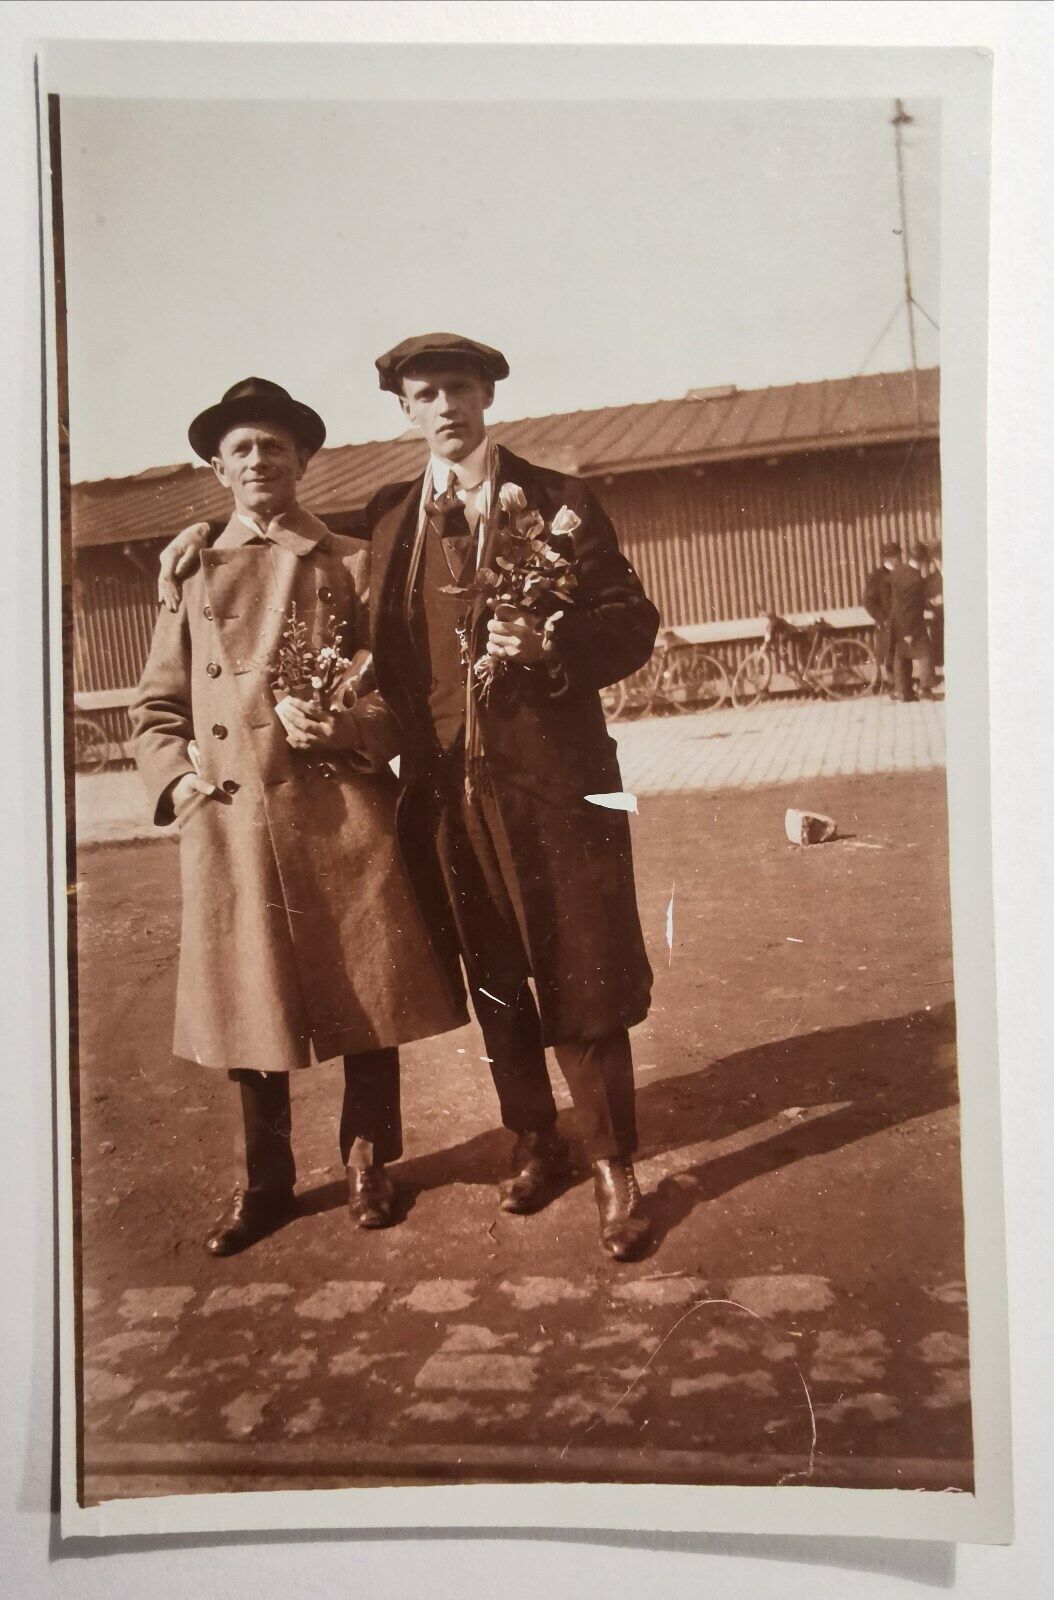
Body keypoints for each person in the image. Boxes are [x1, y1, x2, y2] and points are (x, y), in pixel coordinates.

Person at [160, 338, 661, 1261]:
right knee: (495, 974)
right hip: (442, 797)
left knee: (583, 971)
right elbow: (321, 590)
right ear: (403, 410)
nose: (443, 408)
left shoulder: (559, 499)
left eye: (458, 390)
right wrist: (195, 538)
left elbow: (633, 623)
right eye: (423, 395)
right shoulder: (392, 517)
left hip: (553, 787)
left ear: (486, 396)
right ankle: (534, 1141)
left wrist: (552, 648)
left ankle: (612, 1167)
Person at [132, 377, 467, 1257]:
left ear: (303, 462)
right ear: (217, 468)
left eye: (274, 447)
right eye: (240, 448)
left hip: (338, 809)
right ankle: (266, 1183)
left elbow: (403, 695)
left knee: (369, 990)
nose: (258, 461)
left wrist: (352, 727)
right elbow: (156, 708)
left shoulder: (350, 562)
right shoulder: (192, 567)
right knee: (251, 1007)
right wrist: (177, 783)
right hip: (234, 819)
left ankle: (369, 1164)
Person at [888, 542, 938, 702]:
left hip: (896, 623)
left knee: (901, 656)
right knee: (926, 654)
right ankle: (925, 688)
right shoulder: (915, 580)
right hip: (911, 625)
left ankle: (903, 691)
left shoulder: (897, 571)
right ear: (923, 561)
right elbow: (911, 608)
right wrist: (909, 632)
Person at [862, 542, 901, 693]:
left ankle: (900, 684)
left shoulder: (902, 572)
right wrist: (882, 618)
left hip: (902, 621)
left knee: (901, 653)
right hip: (886, 623)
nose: (896, 559)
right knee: (887, 655)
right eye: (893, 557)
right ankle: (888, 685)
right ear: (887, 558)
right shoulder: (876, 577)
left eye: (896, 556)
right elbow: (868, 601)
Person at [924, 540, 944, 674]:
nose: (939, 562)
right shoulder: (931, 580)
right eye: (937, 559)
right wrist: (932, 601)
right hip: (939, 622)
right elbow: (924, 599)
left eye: (940, 558)